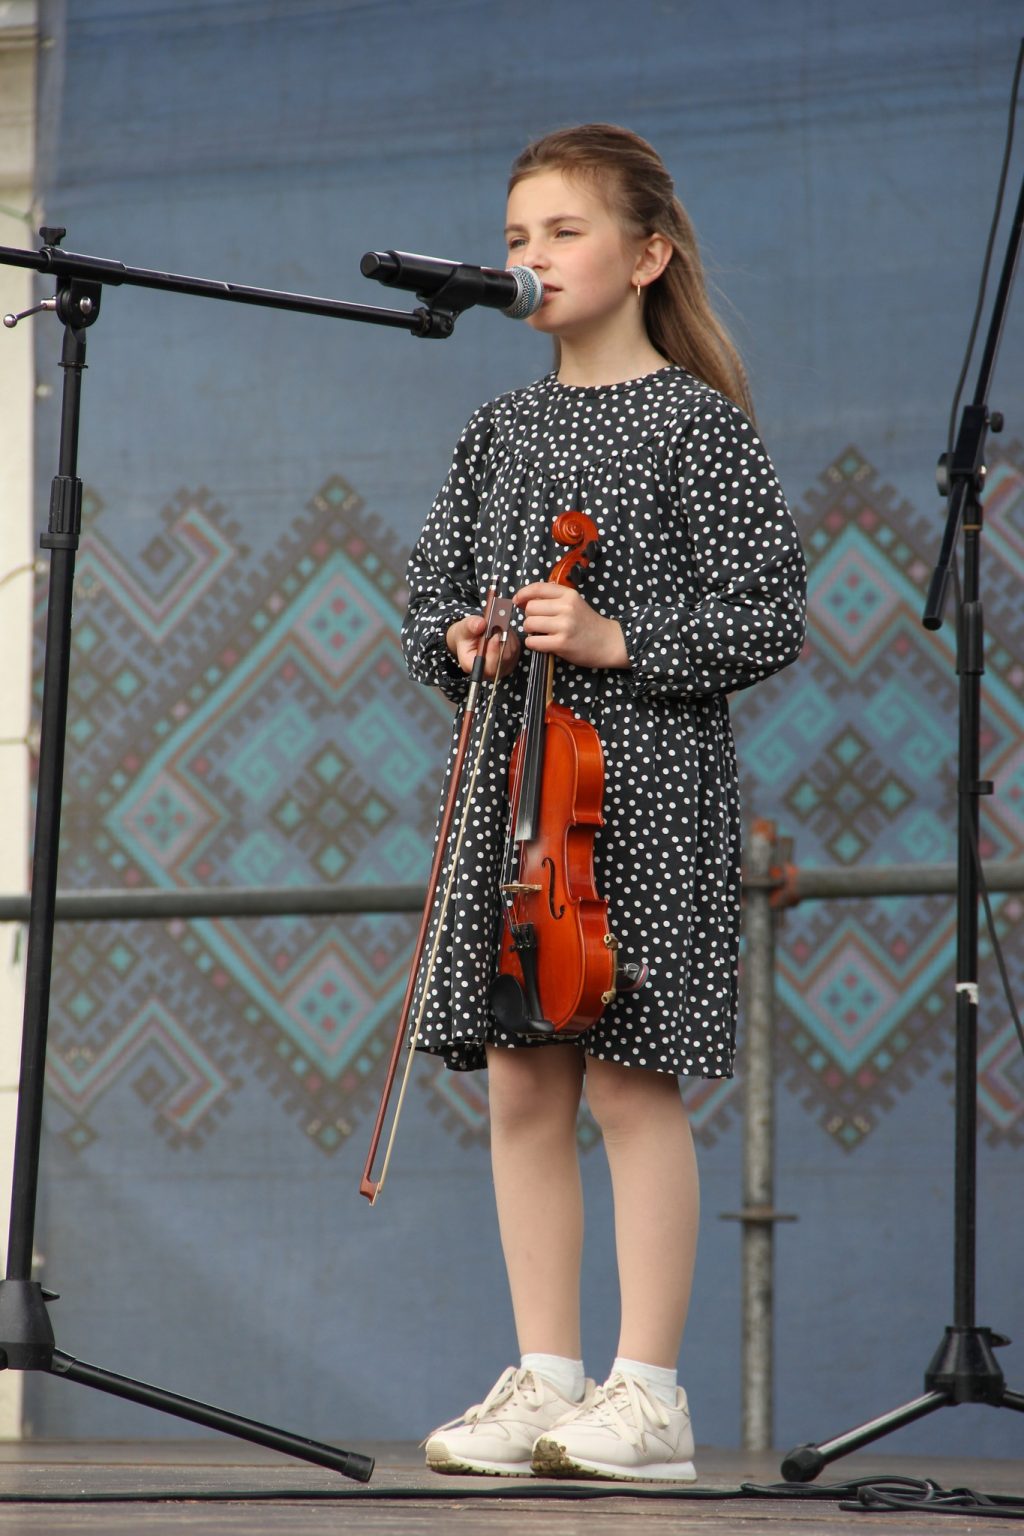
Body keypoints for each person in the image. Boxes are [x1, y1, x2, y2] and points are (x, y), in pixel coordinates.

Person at [400, 123, 806, 1482]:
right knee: (522, 1083)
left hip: (645, 795)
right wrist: (465, 641)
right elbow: (427, 603)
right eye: (517, 238)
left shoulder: (697, 423)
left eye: (563, 232)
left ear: (646, 257)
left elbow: (767, 613)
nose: (533, 256)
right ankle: (548, 1379)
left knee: (632, 1087)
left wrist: (616, 637)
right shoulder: (498, 430)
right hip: (517, 799)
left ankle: (650, 1395)